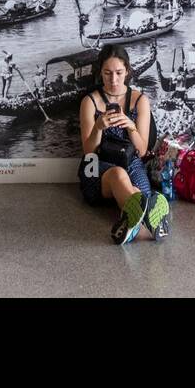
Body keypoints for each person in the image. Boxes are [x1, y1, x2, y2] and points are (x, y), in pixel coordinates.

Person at [78, 44, 170, 244]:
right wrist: (98, 127)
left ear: (127, 71)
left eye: (119, 73)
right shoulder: (90, 102)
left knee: (137, 192)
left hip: (131, 161)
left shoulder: (139, 100)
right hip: (96, 166)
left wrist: (131, 126)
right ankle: (149, 224)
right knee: (119, 175)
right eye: (107, 73)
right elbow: (89, 152)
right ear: (100, 72)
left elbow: (142, 150)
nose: (114, 80)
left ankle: (130, 225)